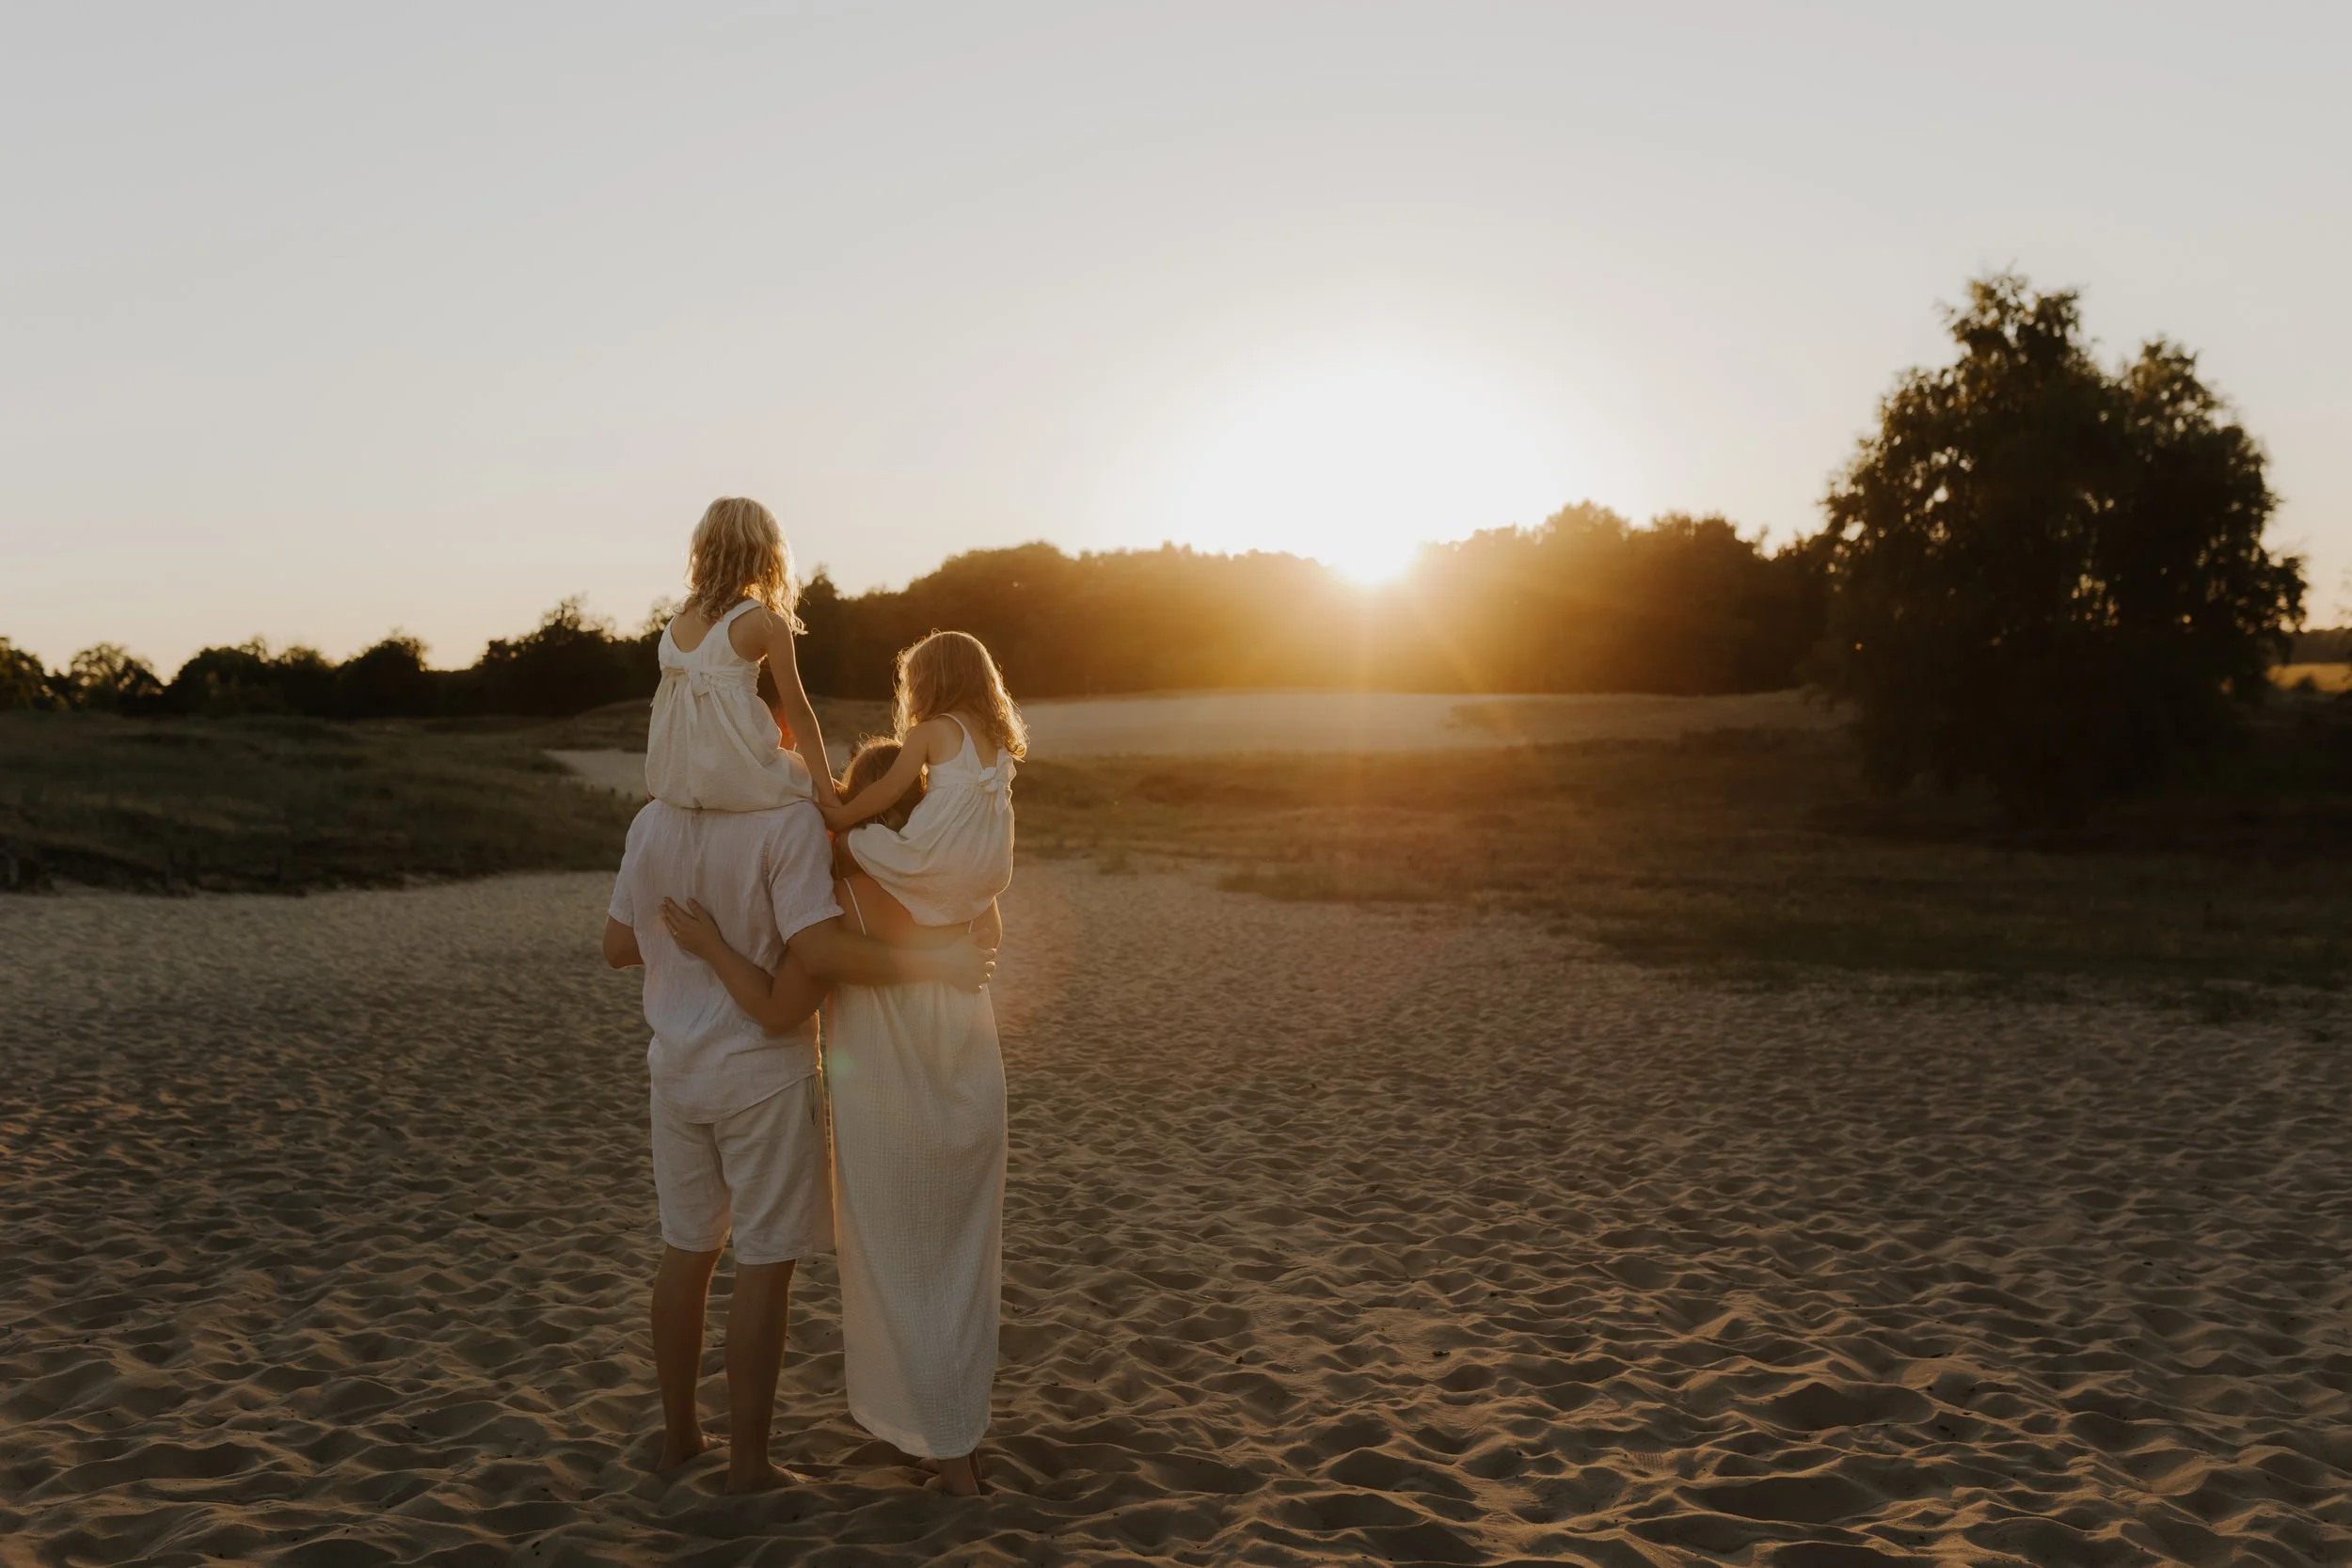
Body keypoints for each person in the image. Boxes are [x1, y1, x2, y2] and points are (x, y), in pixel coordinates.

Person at [601, 789, 992, 1496]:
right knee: (763, 1265)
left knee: (686, 1251)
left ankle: (679, 1438)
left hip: (678, 1070)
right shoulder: (788, 822)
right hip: (760, 1077)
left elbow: (618, 945)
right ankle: (748, 1464)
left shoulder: (653, 818)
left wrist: (689, 937)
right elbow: (804, 973)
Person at [645, 496, 837, 813]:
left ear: (703, 550)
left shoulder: (675, 624)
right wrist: (829, 795)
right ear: (765, 554)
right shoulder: (766, 623)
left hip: (679, 780)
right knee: (837, 795)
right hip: (739, 775)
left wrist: (656, 780)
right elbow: (799, 715)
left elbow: (667, 711)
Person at [819, 629, 1023, 928]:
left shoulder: (931, 730)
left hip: (936, 861)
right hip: (989, 870)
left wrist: (842, 817)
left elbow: (889, 789)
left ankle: (858, 907)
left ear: (929, 682)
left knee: (850, 843)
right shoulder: (998, 739)